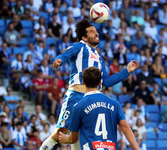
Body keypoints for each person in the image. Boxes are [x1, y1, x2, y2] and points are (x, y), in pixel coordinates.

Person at [40, 18, 139, 150]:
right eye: (92, 32)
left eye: (96, 31)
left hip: (93, 98)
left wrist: (126, 71)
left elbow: (107, 81)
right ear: (84, 37)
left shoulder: (100, 58)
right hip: (76, 96)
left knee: (81, 136)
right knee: (61, 132)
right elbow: (66, 54)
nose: (96, 33)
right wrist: (59, 60)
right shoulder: (80, 46)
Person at [58, 67, 140, 150]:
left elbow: (73, 138)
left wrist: (66, 139)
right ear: (100, 83)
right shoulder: (115, 103)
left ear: (83, 82)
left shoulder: (78, 106)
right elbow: (125, 128)